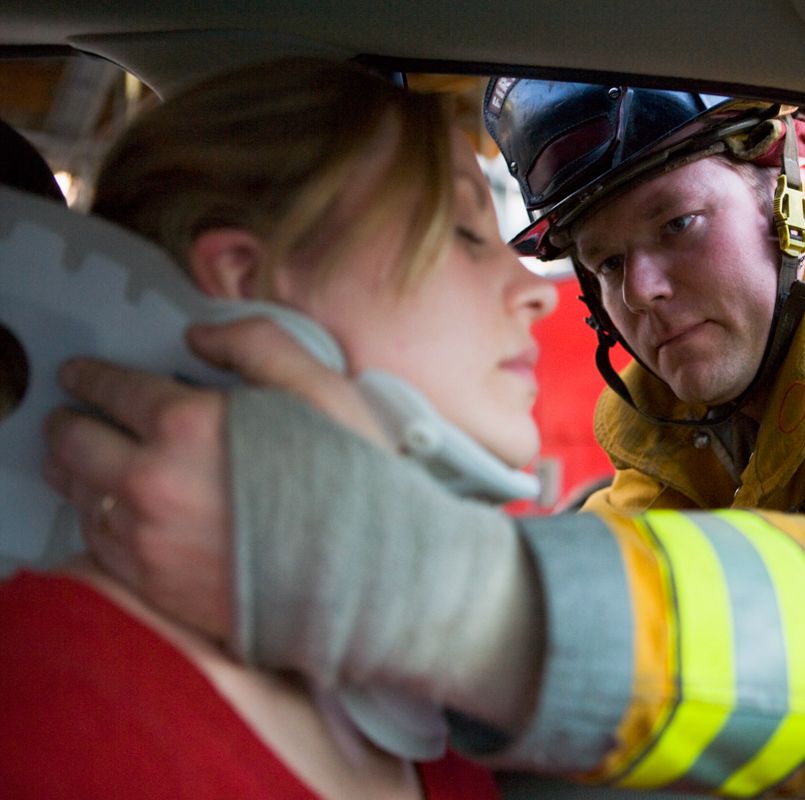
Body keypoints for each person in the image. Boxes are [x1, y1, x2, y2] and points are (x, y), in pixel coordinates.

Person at [40, 77, 805, 800]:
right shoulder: (697, 420)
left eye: (677, 224)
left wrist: (425, 584)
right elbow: (645, 567)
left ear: (795, 177)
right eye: (599, 258)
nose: (632, 289)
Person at [3, 57, 562, 798]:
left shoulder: (419, 710)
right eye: (464, 231)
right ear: (245, 281)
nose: (536, 292)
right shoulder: (50, 691)